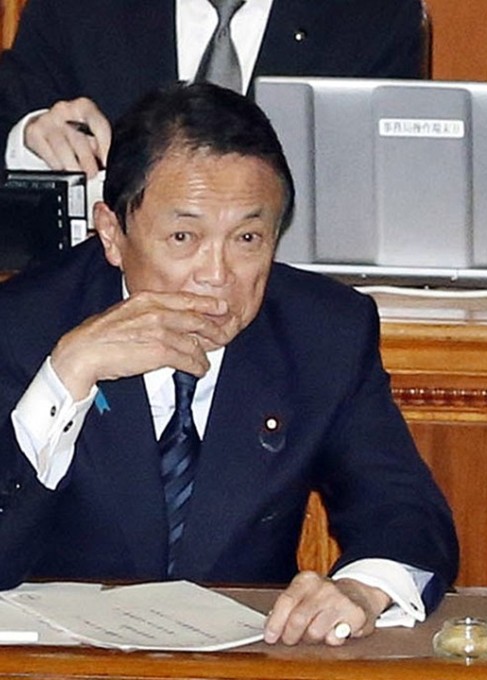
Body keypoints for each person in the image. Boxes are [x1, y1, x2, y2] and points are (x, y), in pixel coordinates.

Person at [0, 81, 458, 646]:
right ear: (112, 233)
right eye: (183, 236)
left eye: (247, 238)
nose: (216, 275)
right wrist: (64, 378)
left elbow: (407, 515)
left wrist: (363, 588)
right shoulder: (23, 325)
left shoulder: (323, 333)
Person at [0, 0, 425, 176]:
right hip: (103, 297)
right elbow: (12, 112)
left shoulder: (372, 16)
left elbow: (393, 185)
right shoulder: (78, 7)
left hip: (285, 303)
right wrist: (27, 136)